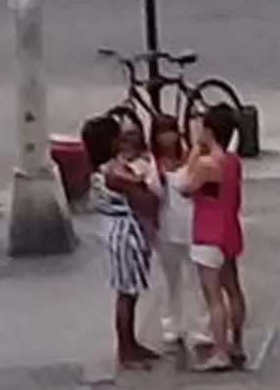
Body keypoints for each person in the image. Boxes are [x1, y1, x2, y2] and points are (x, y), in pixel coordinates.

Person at [79, 114, 158, 373]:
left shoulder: (104, 169)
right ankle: (126, 349)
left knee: (130, 292)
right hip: (125, 233)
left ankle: (131, 342)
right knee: (126, 292)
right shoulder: (114, 172)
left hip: (118, 230)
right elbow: (143, 193)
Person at [186, 101, 247, 369]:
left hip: (207, 232)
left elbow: (186, 186)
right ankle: (237, 342)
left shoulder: (206, 164)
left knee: (213, 297)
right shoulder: (232, 162)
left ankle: (219, 352)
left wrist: (195, 151)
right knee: (233, 289)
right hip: (230, 229)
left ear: (210, 131)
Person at [142, 117, 196, 365]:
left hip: (192, 224)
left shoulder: (191, 158)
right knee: (171, 279)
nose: (168, 138)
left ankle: (201, 325)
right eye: (162, 133)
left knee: (197, 279)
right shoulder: (151, 164)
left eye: (171, 132)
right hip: (166, 227)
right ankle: (171, 323)